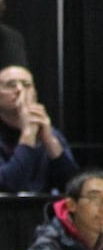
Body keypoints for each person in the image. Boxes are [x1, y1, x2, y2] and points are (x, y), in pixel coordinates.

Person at [0, 63, 79, 193]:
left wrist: (49, 141)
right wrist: (28, 134)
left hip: (42, 210)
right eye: (11, 85)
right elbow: (8, 186)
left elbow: (73, 187)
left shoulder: (52, 133)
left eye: (27, 85)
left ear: (35, 94)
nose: (20, 90)